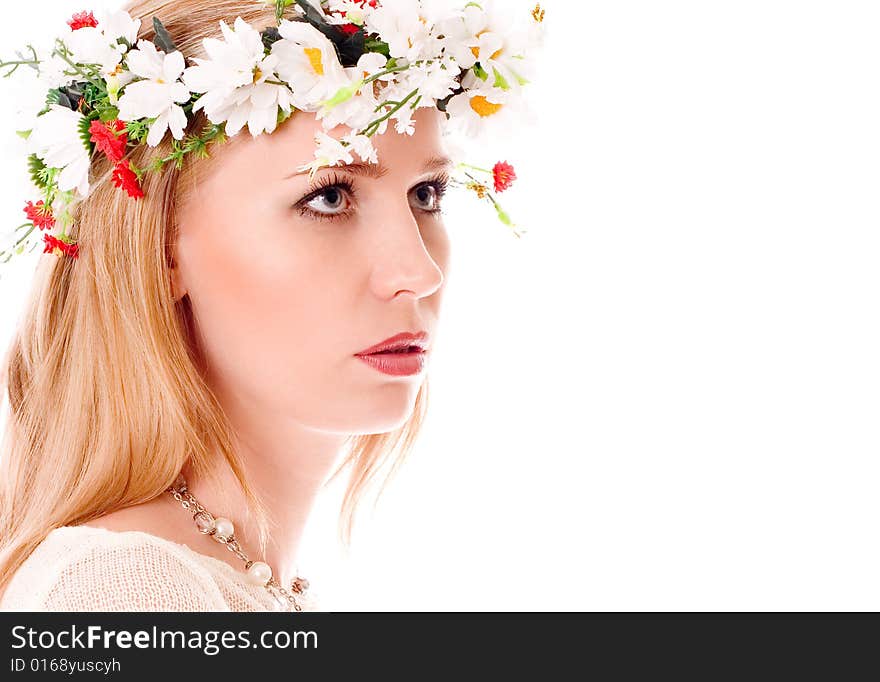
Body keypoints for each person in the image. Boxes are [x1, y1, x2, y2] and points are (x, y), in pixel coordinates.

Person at [0, 0, 543, 611]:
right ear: (155, 252)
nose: (418, 272)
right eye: (330, 197)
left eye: (426, 193)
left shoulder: (219, 583)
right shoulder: (122, 593)